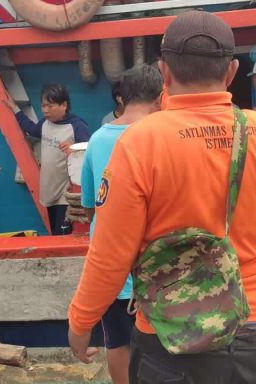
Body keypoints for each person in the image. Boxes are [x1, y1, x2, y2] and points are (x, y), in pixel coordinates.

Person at [67, 10, 256, 383]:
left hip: (171, 330)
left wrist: (81, 321)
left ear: (164, 72)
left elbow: (110, 254)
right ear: (231, 72)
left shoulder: (139, 144)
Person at [81, 64, 163, 384]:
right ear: (160, 97)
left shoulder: (97, 140)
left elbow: (91, 207)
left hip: (112, 270)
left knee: (117, 343)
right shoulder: (164, 136)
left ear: (121, 98)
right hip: (161, 268)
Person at [5, 84, 90, 235]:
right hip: (48, 190)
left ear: (64, 105)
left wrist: (75, 146)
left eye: (50, 106)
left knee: (62, 236)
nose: (45, 110)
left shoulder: (77, 125)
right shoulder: (45, 123)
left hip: (66, 193)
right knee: (55, 234)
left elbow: (90, 150)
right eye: (43, 106)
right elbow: (30, 129)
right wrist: (15, 108)